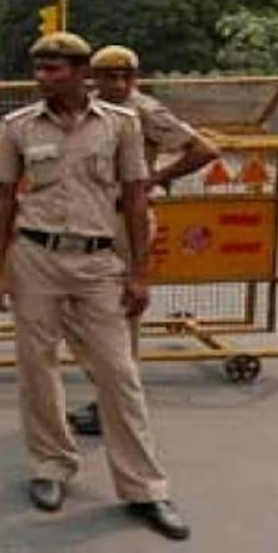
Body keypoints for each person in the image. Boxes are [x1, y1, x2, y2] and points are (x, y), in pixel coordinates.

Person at [0, 32, 189, 540]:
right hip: (35, 258)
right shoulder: (17, 127)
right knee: (38, 368)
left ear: (81, 73)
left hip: (101, 262)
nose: (43, 78)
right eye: (39, 68)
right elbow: (4, 201)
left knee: (119, 374)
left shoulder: (122, 126)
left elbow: (137, 199)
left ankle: (145, 488)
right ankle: (51, 466)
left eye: (54, 69)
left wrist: (140, 272)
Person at [65, 45, 220, 436]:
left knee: (122, 315)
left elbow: (204, 150)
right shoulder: (88, 109)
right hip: (87, 222)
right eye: (109, 75)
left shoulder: (144, 110)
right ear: (93, 78)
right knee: (71, 308)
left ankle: (116, 404)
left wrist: (154, 180)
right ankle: (114, 394)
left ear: (136, 77)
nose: (118, 83)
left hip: (124, 220)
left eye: (126, 75)